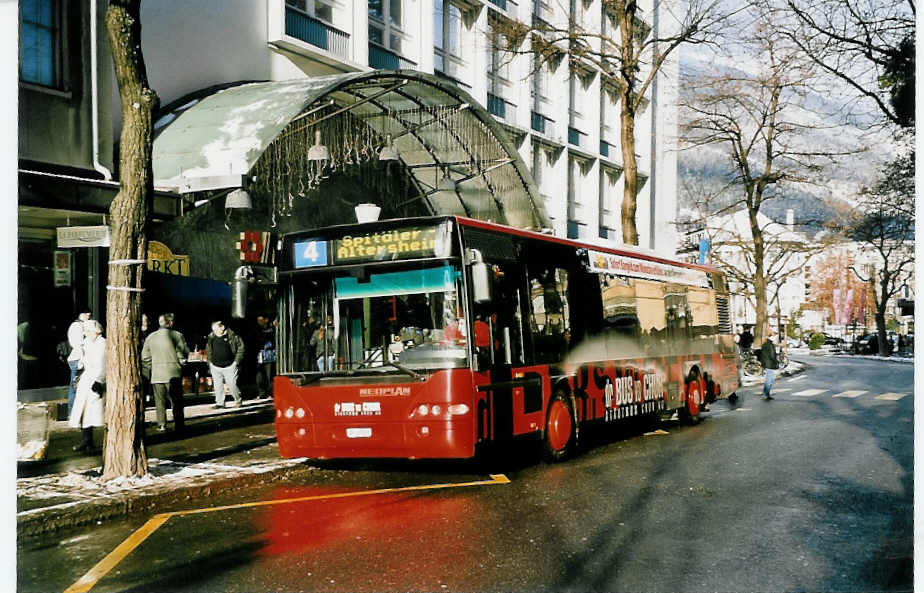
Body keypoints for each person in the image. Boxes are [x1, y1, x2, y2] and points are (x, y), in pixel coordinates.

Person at [142, 313, 190, 432]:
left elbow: (145, 357)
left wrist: (153, 367)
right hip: (173, 373)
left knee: (159, 402)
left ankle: (162, 424)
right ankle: (178, 424)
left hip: (157, 374)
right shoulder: (177, 335)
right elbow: (183, 353)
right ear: (171, 322)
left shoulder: (151, 337)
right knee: (176, 401)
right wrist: (181, 363)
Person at [69, 320, 106, 453]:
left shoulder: (103, 343)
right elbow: (82, 360)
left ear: (97, 331)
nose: (87, 334)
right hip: (86, 379)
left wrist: (99, 380)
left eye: (89, 331)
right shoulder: (86, 343)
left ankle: (95, 441)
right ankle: (86, 440)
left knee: (94, 411)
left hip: (95, 379)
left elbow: (104, 364)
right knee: (83, 410)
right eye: (86, 331)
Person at [207, 320, 245, 408]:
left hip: (230, 365)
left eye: (217, 329)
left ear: (222, 327)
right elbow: (209, 350)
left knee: (232, 384)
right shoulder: (211, 337)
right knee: (218, 386)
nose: (215, 331)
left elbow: (241, 348)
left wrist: (236, 362)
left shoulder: (232, 336)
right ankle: (220, 403)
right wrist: (210, 362)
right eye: (214, 330)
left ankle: (238, 400)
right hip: (215, 366)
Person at [65, 307, 92, 414]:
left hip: (80, 359)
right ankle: (72, 413)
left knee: (78, 387)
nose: (89, 314)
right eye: (86, 312)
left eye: (89, 312)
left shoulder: (83, 325)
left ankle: (75, 413)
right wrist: (82, 360)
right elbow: (78, 345)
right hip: (78, 360)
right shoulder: (77, 326)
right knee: (75, 388)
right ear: (80, 314)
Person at [254, 314, 277, 398]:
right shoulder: (257, 329)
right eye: (258, 321)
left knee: (270, 375)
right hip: (260, 355)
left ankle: (271, 393)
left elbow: (273, 339)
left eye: (261, 320)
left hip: (270, 355)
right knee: (259, 376)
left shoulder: (272, 328)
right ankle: (262, 392)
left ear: (266, 320)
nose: (259, 322)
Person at [759, 334, 780, 400]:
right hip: (770, 364)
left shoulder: (765, 344)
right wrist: (776, 362)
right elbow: (772, 355)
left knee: (769, 379)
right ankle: (766, 394)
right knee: (769, 380)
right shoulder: (770, 345)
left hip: (766, 364)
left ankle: (766, 393)